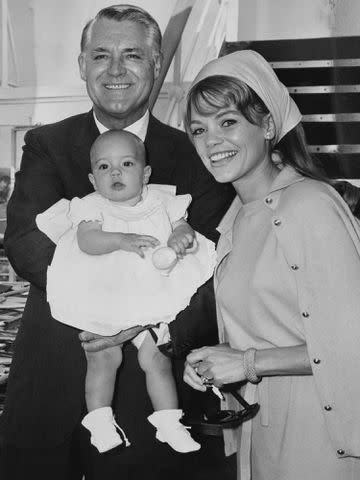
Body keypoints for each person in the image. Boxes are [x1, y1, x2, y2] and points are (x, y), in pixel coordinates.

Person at [0, 5, 235, 480]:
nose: (114, 70)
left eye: (132, 55)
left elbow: (212, 260)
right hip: (51, 365)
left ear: (155, 63)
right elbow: (25, 238)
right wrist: (99, 301)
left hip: (151, 379)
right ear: (82, 64)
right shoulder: (48, 143)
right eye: (100, 54)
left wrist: (133, 321)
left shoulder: (195, 152)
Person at [168, 49, 360, 480]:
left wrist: (247, 362)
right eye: (199, 129)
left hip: (323, 431)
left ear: (268, 124)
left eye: (228, 122)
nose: (211, 140)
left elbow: (352, 344)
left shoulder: (308, 204)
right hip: (260, 427)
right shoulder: (235, 218)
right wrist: (218, 362)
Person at [36, 129, 217, 454]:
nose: (115, 172)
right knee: (103, 357)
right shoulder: (91, 206)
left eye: (126, 164)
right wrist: (121, 240)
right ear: (93, 179)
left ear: (145, 173)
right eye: (104, 167)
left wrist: (182, 235)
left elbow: (181, 225)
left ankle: (169, 423)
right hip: (105, 295)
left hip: (151, 296)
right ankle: (100, 421)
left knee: (157, 359)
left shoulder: (162, 200)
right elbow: (87, 241)